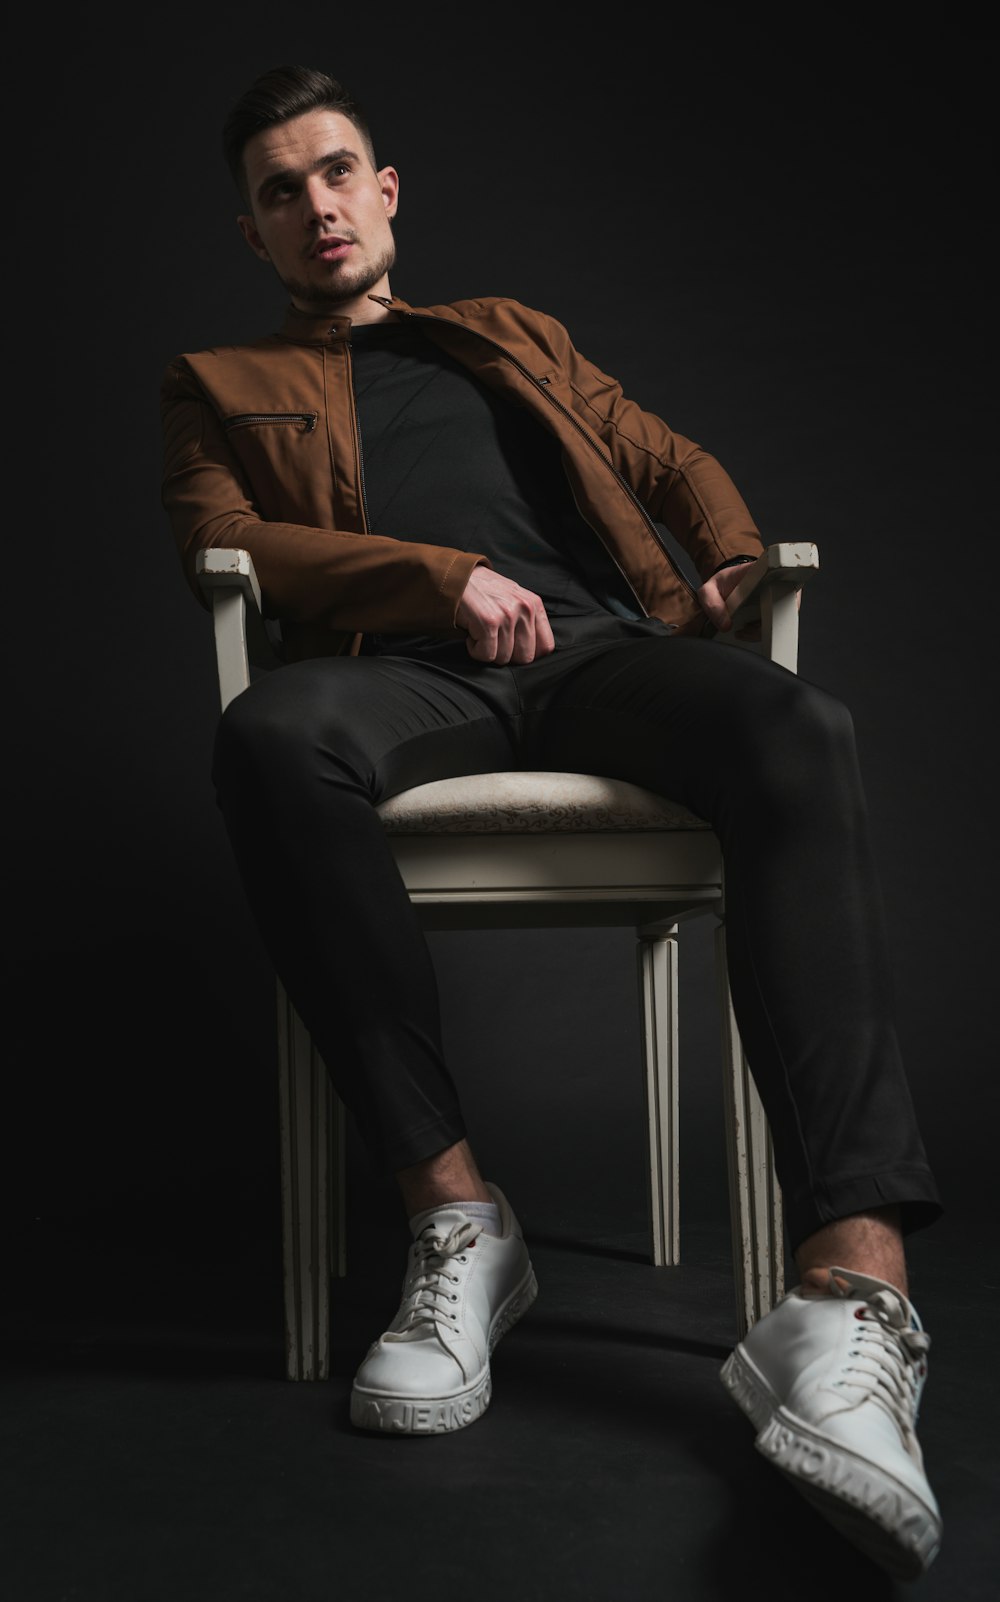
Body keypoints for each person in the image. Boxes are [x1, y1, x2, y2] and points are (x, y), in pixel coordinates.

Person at [160, 64, 944, 1581]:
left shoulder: (511, 336)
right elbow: (228, 540)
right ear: (254, 234)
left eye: (338, 172)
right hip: (405, 680)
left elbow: (661, 455)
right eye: (280, 189)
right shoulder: (216, 383)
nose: (316, 203)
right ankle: (458, 1220)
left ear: (388, 197)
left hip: (598, 657)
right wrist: (436, 579)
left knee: (800, 725)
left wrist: (720, 564)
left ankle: (852, 1292)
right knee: (267, 737)